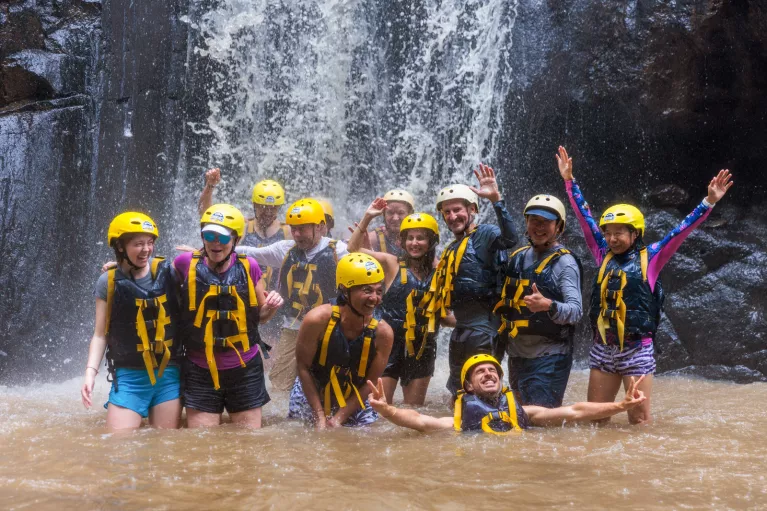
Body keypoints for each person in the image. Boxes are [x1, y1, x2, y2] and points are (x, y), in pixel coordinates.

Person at [556, 146, 734, 424]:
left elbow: (680, 231)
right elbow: (584, 217)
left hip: (637, 350)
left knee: (639, 421)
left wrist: (708, 203)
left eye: (619, 234)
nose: (612, 239)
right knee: (595, 420)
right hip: (603, 347)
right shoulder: (602, 253)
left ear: (634, 233)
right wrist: (569, 182)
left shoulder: (650, 258)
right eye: (609, 234)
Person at [174, 204, 284, 428]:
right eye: (209, 235)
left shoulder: (250, 266)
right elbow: (156, 283)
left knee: (247, 443)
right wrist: (121, 270)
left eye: (222, 238)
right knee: (201, 444)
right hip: (199, 367)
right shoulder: (185, 264)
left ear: (236, 239)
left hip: (244, 368)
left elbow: (261, 317)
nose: (215, 243)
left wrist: (271, 307)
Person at [420, 164, 519, 396]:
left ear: (472, 209)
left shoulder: (484, 235)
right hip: (462, 329)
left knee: (481, 389)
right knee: (458, 388)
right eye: (447, 212)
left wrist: (496, 200)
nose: (452, 216)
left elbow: (510, 238)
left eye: (457, 210)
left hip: (484, 329)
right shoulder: (453, 247)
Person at [367, 354, 647, 433]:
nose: (489, 374)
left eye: (493, 371)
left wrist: (620, 406)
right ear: (468, 387)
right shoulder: (459, 420)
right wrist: (387, 410)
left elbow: (575, 412)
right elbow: (420, 420)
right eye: (481, 372)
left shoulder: (526, 412)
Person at [234, 198, 349, 391]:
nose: (296, 234)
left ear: (320, 227)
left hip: (329, 327)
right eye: (293, 228)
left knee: (328, 383)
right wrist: (207, 251)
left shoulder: (338, 251)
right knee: (279, 385)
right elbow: (249, 252)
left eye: (302, 229)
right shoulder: (285, 249)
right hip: (294, 326)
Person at [81, 213, 182, 431]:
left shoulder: (170, 272)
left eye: (150, 243)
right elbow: (100, 335)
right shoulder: (107, 282)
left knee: (168, 450)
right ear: (120, 247)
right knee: (119, 447)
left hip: (167, 374)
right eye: (138, 244)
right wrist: (90, 374)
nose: (146, 249)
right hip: (129, 377)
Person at [349, 202, 454, 405]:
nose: (414, 243)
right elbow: (353, 249)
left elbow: (442, 315)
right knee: (380, 409)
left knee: (412, 413)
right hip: (387, 345)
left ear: (431, 241)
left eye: (420, 238)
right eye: (410, 238)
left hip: (423, 347)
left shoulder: (442, 270)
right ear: (402, 241)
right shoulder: (391, 263)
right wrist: (368, 217)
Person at [494, 194, 583, 407]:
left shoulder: (565, 263)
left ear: (558, 226)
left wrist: (548, 305)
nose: (539, 227)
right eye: (534, 220)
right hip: (517, 355)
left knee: (540, 421)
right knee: (522, 421)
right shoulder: (517, 257)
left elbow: (576, 311)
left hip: (550, 356)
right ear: (526, 222)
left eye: (546, 222)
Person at [289, 253, 394, 428]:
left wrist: (338, 418)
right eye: (367, 290)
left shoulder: (383, 333)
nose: (374, 298)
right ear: (345, 291)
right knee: (301, 432)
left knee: (367, 438)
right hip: (313, 388)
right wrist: (320, 415)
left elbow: (371, 382)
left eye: (379, 291)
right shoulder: (317, 320)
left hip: (355, 393)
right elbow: (303, 367)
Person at [197, 168, 291, 292]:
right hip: (245, 293)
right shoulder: (244, 225)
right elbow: (207, 214)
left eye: (273, 208)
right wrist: (210, 186)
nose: (268, 212)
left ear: (279, 208)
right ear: (254, 205)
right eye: (263, 207)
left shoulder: (289, 231)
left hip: (276, 297)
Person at [362, 189, 415, 257]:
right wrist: (367, 217)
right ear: (383, 213)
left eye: (401, 213)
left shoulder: (419, 238)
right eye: (390, 212)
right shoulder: (373, 239)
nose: (395, 218)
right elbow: (352, 250)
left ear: (410, 214)